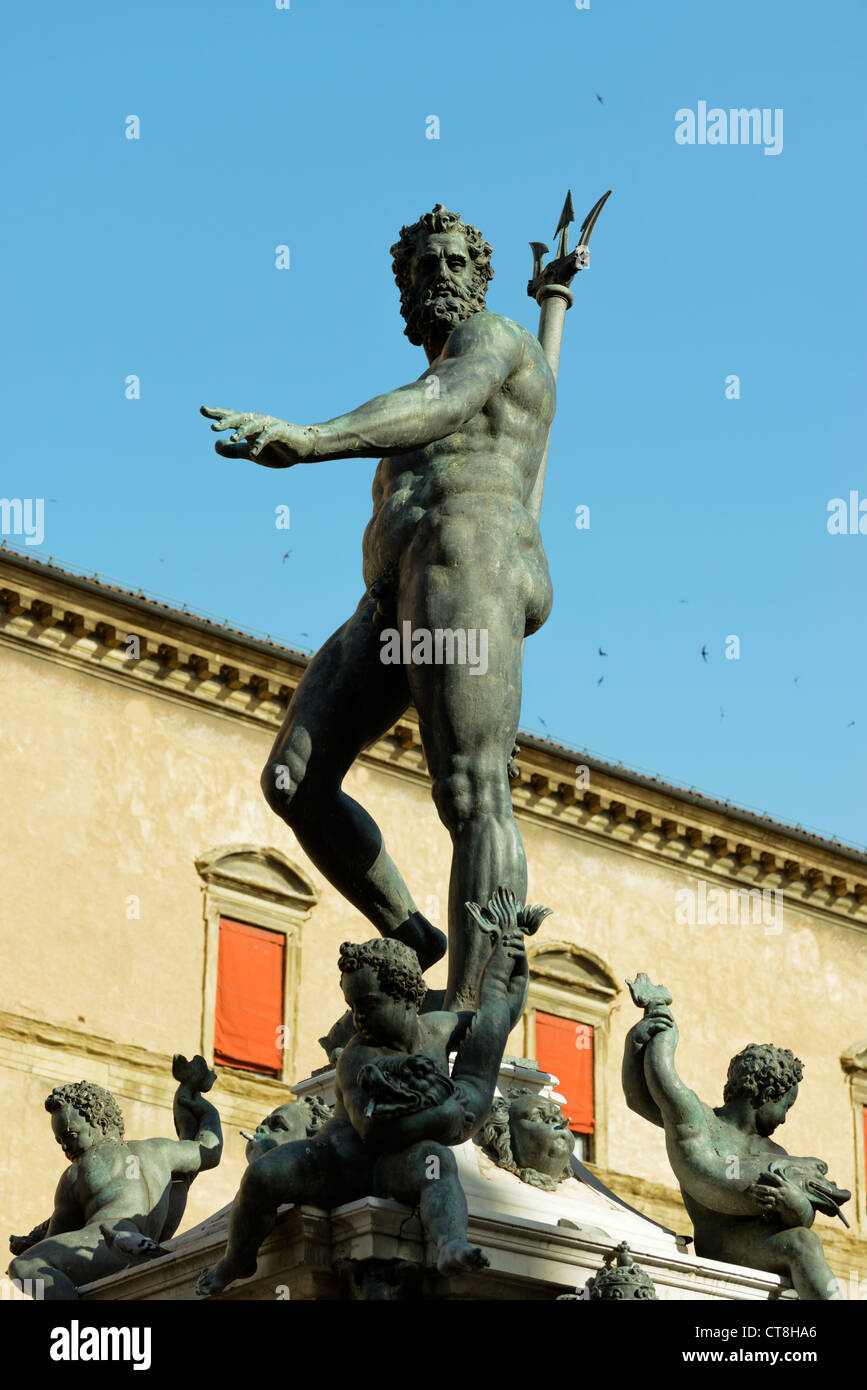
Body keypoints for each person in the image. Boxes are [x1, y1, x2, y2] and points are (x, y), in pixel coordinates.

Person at [201, 204, 556, 1008]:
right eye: (421, 266)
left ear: (481, 278)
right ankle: (412, 936)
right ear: (401, 288)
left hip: (470, 557)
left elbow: (444, 403)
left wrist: (312, 439)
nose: (437, 276)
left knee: (470, 790)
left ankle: (476, 1003)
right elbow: (424, 407)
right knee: (295, 780)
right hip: (393, 593)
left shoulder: (495, 342)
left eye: (453, 263)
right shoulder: (415, 391)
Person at [196, 888, 542, 1296]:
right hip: (338, 1165)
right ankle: (238, 1256)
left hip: (392, 1166)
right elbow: (371, 1128)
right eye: (352, 1004)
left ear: (406, 995)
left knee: (437, 1163)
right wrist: (440, 1117)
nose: (358, 1016)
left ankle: (449, 1241)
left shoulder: (442, 1029)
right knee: (262, 1175)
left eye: (369, 1003)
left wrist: (512, 958)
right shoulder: (357, 1056)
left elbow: (497, 1019)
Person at [622, 974, 848, 1300]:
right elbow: (643, 1095)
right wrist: (642, 1039)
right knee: (802, 1244)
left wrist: (794, 1204)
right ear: (767, 1094)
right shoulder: (700, 1121)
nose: (785, 1118)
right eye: (785, 1106)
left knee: (804, 1240)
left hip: (764, 1242)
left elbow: (800, 1217)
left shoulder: (774, 1151)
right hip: (721, 1244)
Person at [8, 1056, 222, 1300]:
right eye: (60, 1142)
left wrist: (33, 1242)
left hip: (105, 1244)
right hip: (142, 1242)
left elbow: (57, 1236)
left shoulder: (76, 1172)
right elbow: (210, 1150)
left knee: (25, 1266)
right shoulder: (159, 1150)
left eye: (70, 1135)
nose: (66, 1147)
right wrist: (207, 1111)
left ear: (98, 1122)